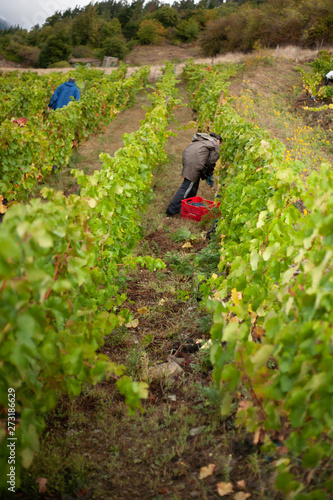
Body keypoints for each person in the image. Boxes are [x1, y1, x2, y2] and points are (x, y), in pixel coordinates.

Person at [166, 132, 222, 217]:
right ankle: (171, 210)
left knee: (194, 185)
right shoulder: (215, 143)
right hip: (194, 162)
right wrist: (209, 174)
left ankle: (188, 206)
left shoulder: (204, 140)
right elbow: (211, 162)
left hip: (188, 158)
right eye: (221, 144)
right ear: (218, 141)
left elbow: (204, 158)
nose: (220, 146)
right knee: (187, 186)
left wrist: (204, 175)